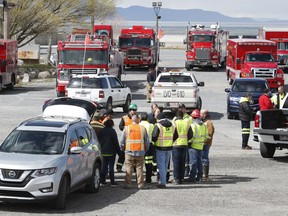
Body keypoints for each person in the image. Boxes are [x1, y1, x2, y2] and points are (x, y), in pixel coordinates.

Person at [120, 114, 150, 189]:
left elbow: (122, 142)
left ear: (132, 120)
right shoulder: (142, 128)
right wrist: (145, 150)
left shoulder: (126, 128)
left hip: (129, 152)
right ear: (138, 119)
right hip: (140, 151)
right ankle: (140, 184)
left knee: (129, 168)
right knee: (139, 168)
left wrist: (123, 149)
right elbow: (147, 142)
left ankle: (128, 184)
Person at [152, 112, 178, 188]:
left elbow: (154, 136)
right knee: (166, 165)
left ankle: (163, 182)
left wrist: (154, 142)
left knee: (161, 166)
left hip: (160, 148)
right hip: (169, 147)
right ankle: (164, 180)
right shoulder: (172, 125)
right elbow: (176, 136)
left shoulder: (158, 125)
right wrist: (170, 141)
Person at [98, 119, 121, 186]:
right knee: (111, 167)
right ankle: (112, 182)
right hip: (111, 152)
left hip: (103, 152)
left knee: (104, 167)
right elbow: (115, 142)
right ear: (112, 124)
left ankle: (102, 181)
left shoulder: (101, 131)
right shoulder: (112, 131)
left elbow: (98, 141)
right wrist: (119, 152)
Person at [188, 109, 209, 183]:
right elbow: (206, 136)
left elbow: (190, 136)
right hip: (201, 146)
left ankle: (192, 177)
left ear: (193, 117)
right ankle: (199, 177)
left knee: (193, 162)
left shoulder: (193, 126)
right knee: (199, 162)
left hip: (193, 146)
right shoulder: (204, 125)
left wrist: (188, 143)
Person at [172, 110, 192, 184]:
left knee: (176, 162)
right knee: (183, 162)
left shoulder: (174, 123)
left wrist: (172, 141)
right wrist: (186, 139)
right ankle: (181, 178)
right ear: (183, 116)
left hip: (176, 145)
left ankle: (176, 179)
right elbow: (191, 134)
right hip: (184, 144)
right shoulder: (187, 123)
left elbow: (172, 134)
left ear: (176, 116)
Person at [117, 103, 138, 172]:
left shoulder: (138, 118)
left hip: (135, 139)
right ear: (130, 110)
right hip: (126, 139)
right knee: (122, 153)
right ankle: (119, 167)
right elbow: (120, 126)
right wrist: (126, 130)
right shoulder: (124, 118)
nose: (134, 111)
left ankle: (134, 168)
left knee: (134, 154)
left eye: (135, 110)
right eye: (133, 110)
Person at [139, 112, 154, 183]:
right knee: (149, 163)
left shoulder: (138, 125)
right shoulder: (151, 125)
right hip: (149, 146)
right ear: (147, 118)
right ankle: (148, 179)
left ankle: (139, 179)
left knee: (139, 163)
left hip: (140, 145)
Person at [200, 109, 215, 181]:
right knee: (202, 158)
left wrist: (203, 140)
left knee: (204, 158)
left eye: (201, 114)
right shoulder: (204, 122)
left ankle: (205, 175)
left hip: (206, 144)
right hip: (202, 143)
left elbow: (209, 134)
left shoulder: (208, 123)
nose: (200, 115)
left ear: (204, 115)